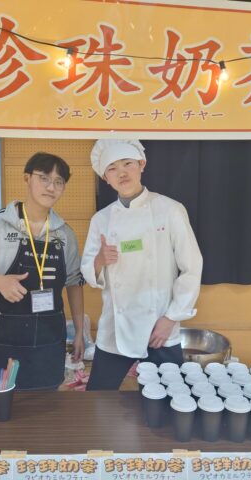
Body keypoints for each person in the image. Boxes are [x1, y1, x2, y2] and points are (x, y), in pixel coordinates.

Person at [81, 139, 202, 390]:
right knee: (98, 400)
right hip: (115, 329)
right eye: (112, 168)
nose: (122, 173)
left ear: (142, 164)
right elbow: (88, 272)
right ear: (105, 178)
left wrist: (171, 318)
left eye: (128, 163)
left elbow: (192, 267)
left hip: (159, 327)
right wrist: (100, 261)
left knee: (169, 401)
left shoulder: (170, 210)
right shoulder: (101, 219)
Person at [0, 152, 85, 390]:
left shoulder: (65, 234)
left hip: (48, 338)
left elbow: (74, 282)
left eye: (59, 181)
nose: (51, 187)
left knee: (45, 404)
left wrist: (79, 332)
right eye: (44, 178)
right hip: (0, 337)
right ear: (27, 178)